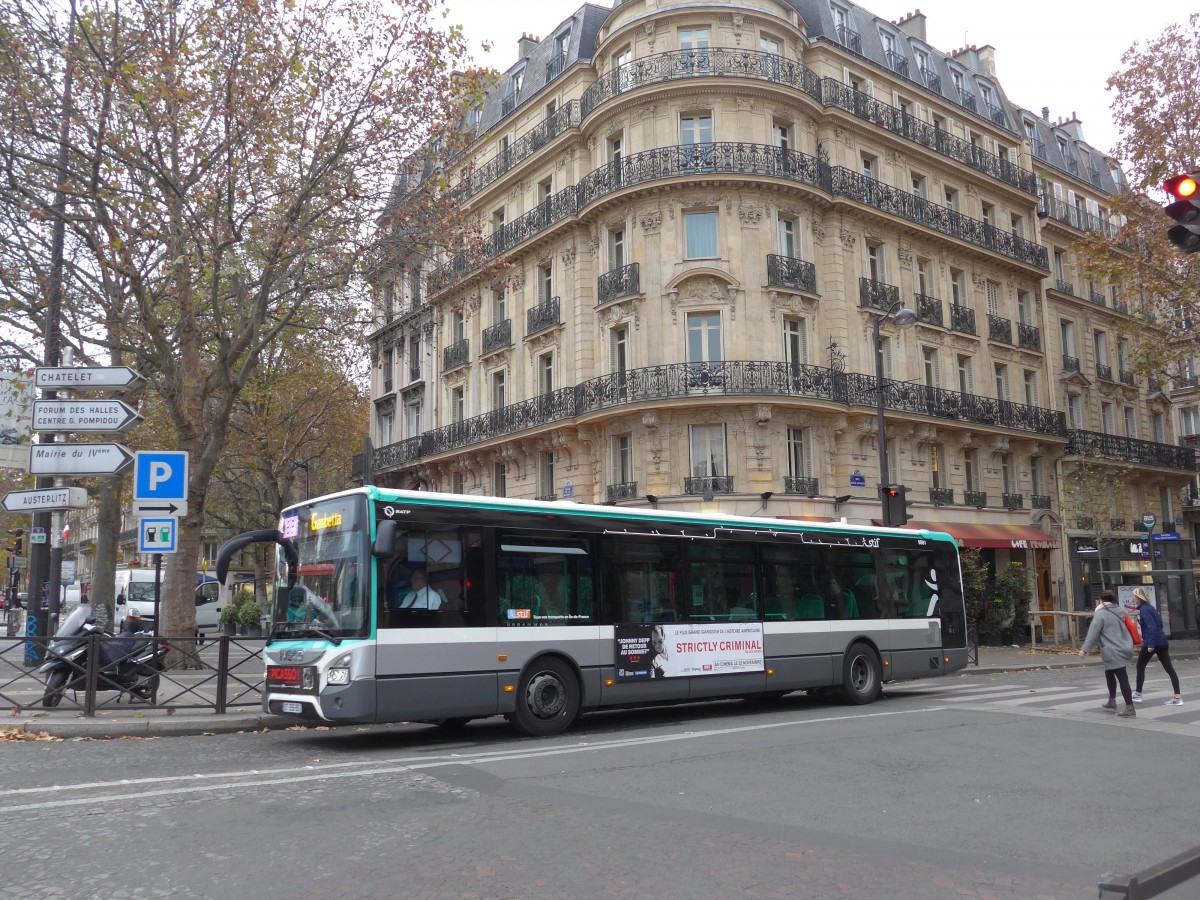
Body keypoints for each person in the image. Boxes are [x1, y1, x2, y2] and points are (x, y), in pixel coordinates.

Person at [1078, 590, 1136, 717]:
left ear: (1102, 601)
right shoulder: (1119, 610)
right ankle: (1111, 700)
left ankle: (1130, 707)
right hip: (1124, 646)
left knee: (1122, 677)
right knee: (1109, 672)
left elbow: (1092, 633)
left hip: (1112, 649)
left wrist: (1084, 649)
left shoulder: (1101, 614)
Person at [1132, 587, 1182, 705]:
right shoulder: (1150, 608)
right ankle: (1177, 697)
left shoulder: (1144, 609)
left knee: (1140, 666)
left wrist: (1151, 644)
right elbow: (1157, 625)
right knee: (1169, 668)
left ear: (1139, 598)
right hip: (1162, 641)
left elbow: (1152, 627)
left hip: (1152, 641)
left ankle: (1138, 694)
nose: (1133, 599)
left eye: (1134, 596)